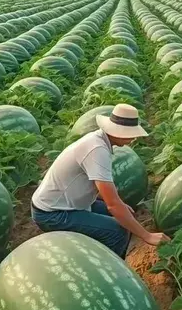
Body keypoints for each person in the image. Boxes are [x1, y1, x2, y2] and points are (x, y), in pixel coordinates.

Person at [31, 103, 170, 259]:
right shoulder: (96, 150)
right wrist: (147, 236)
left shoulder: (98, 141)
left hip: (67, 204)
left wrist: (121, 206)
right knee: (118, 231)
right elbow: (112, 205)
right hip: (52, 214)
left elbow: (102, 192)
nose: (133, 138)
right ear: (118, 132)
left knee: (125, 216)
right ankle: (109, 268)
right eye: (130, 133)